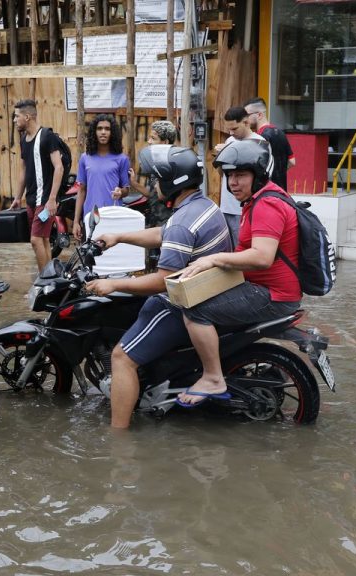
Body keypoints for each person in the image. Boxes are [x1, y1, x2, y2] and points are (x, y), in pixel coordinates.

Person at [85, 145, 232, 429]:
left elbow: (161, 280)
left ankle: (118, 438)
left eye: (156, 179)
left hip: (183, 303)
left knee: (121, 357)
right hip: (207, 293)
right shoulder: (203, 206)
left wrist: (113, 283)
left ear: (171, 181)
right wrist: (119, 236)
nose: (152, 184)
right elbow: (161, 234)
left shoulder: (182, 222)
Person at [176, 139, 300, 407]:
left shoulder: (267, 205)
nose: (233, 182)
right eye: (229, 175)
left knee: (194, 309)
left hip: (272, 295)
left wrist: (213, 259)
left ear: (258, 175)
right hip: (268, 289)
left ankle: (212, 377)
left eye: (241, 175)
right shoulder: (260, 199)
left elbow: (262, 257)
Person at [10, 99, 64, 273]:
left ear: (27, 117)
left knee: (35, 240)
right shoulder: (24, 139)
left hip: (46, 200)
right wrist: (18, 197)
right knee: (44, 239)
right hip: (32, 199)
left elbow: (59, 167)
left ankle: (43, 283)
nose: (14, 120)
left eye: (16, 116)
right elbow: (24, 170)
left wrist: (52, 199)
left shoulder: (47, 136)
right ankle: (50, 279)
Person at [214, 106, 274, 247]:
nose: (231, 132)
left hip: (244, 208)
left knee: (242, 248)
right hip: (226, 206)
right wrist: (221, 158)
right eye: (229, 129)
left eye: (234, 129)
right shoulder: (230, 141)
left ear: (246, 123)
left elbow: (264, 178)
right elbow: (224, 176)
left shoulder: (260, 143)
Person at [72, 114, 130, 241]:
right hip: (90, 216)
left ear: (112, 132)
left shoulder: (122, 159)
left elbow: (126, 189)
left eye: (107, 129)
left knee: (112, 257)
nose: (103, 132)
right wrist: (76, 221)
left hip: (113, 216)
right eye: (99, 128)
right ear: (94, 132)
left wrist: (120, 192)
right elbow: (81, 190)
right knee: (89, 257)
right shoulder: (85, 158)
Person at [128, 120, 178, 228]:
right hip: (154, 221)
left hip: (167, 224)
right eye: (149, 137)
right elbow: (152, 195)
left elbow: (165, 197)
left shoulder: (172, 164)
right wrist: (134, 183)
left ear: (165, 142)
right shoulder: (156, 162)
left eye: (153, 138)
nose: (149, 141)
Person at [244, 97, 296, 190]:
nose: (245, 120)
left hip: (266, 192)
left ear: (259, 115)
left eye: (247, 115)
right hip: (281, 191)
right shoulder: (280, 133)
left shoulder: (260, 137)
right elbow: (292, 162)